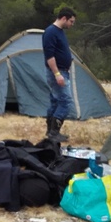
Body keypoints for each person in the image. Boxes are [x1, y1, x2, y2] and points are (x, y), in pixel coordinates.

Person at [42, 7, 77, 142]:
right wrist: (57, 74)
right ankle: (54, 133)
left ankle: (50, 131)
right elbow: (49, 56)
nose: (72, 25)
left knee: (55, 101)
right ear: (64, 18)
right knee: (66, 101)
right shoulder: (51, 32)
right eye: (71, 22)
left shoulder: (59, 32)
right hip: (57, 72)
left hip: (62, 71)